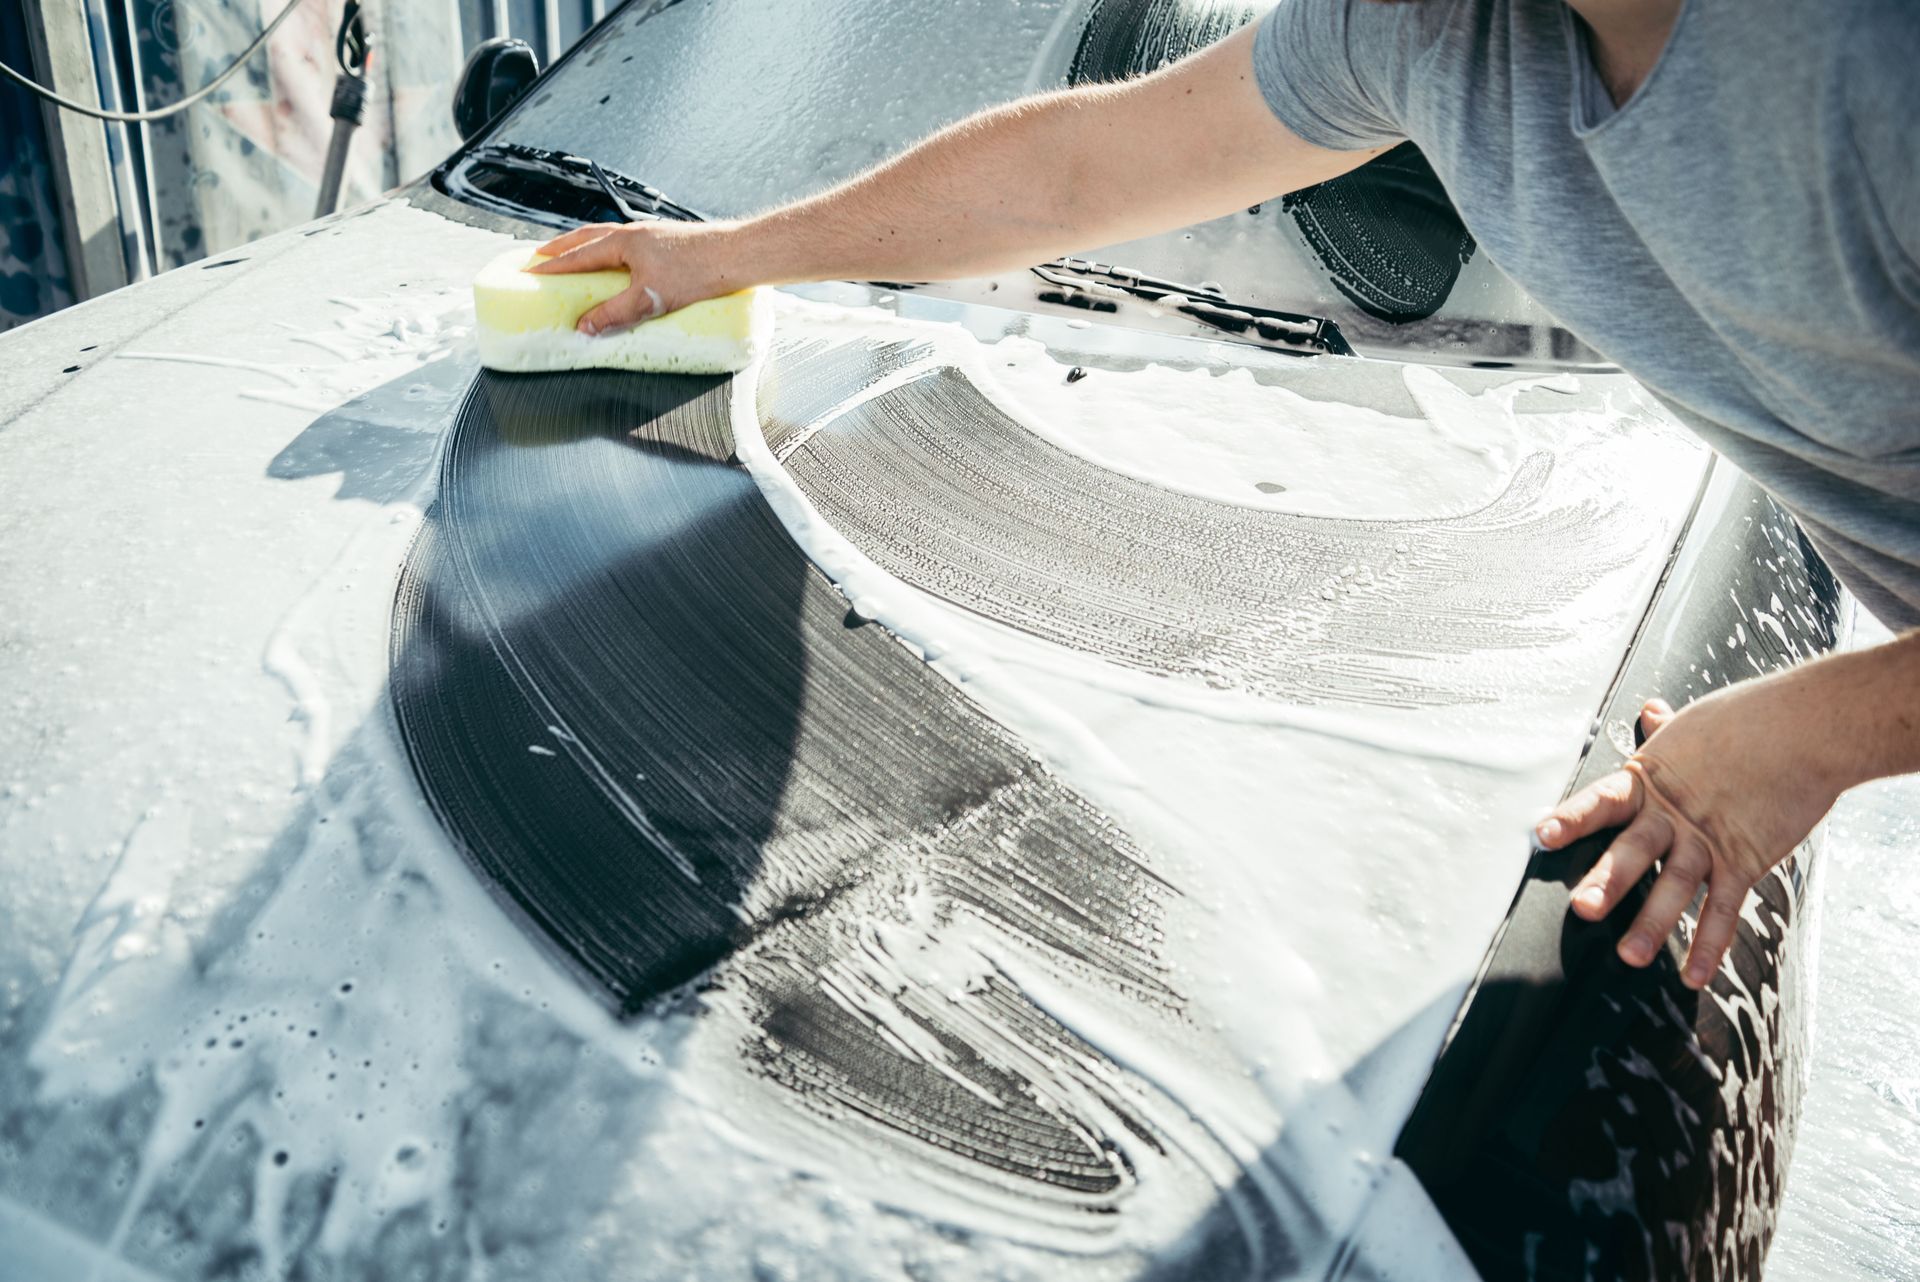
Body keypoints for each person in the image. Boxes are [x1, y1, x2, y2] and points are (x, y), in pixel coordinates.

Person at [530, 0, 1920, 991]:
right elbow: (1072, 172)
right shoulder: (1436, 33)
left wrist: (1798, 737)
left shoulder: (1868, 67)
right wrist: (728, 254)